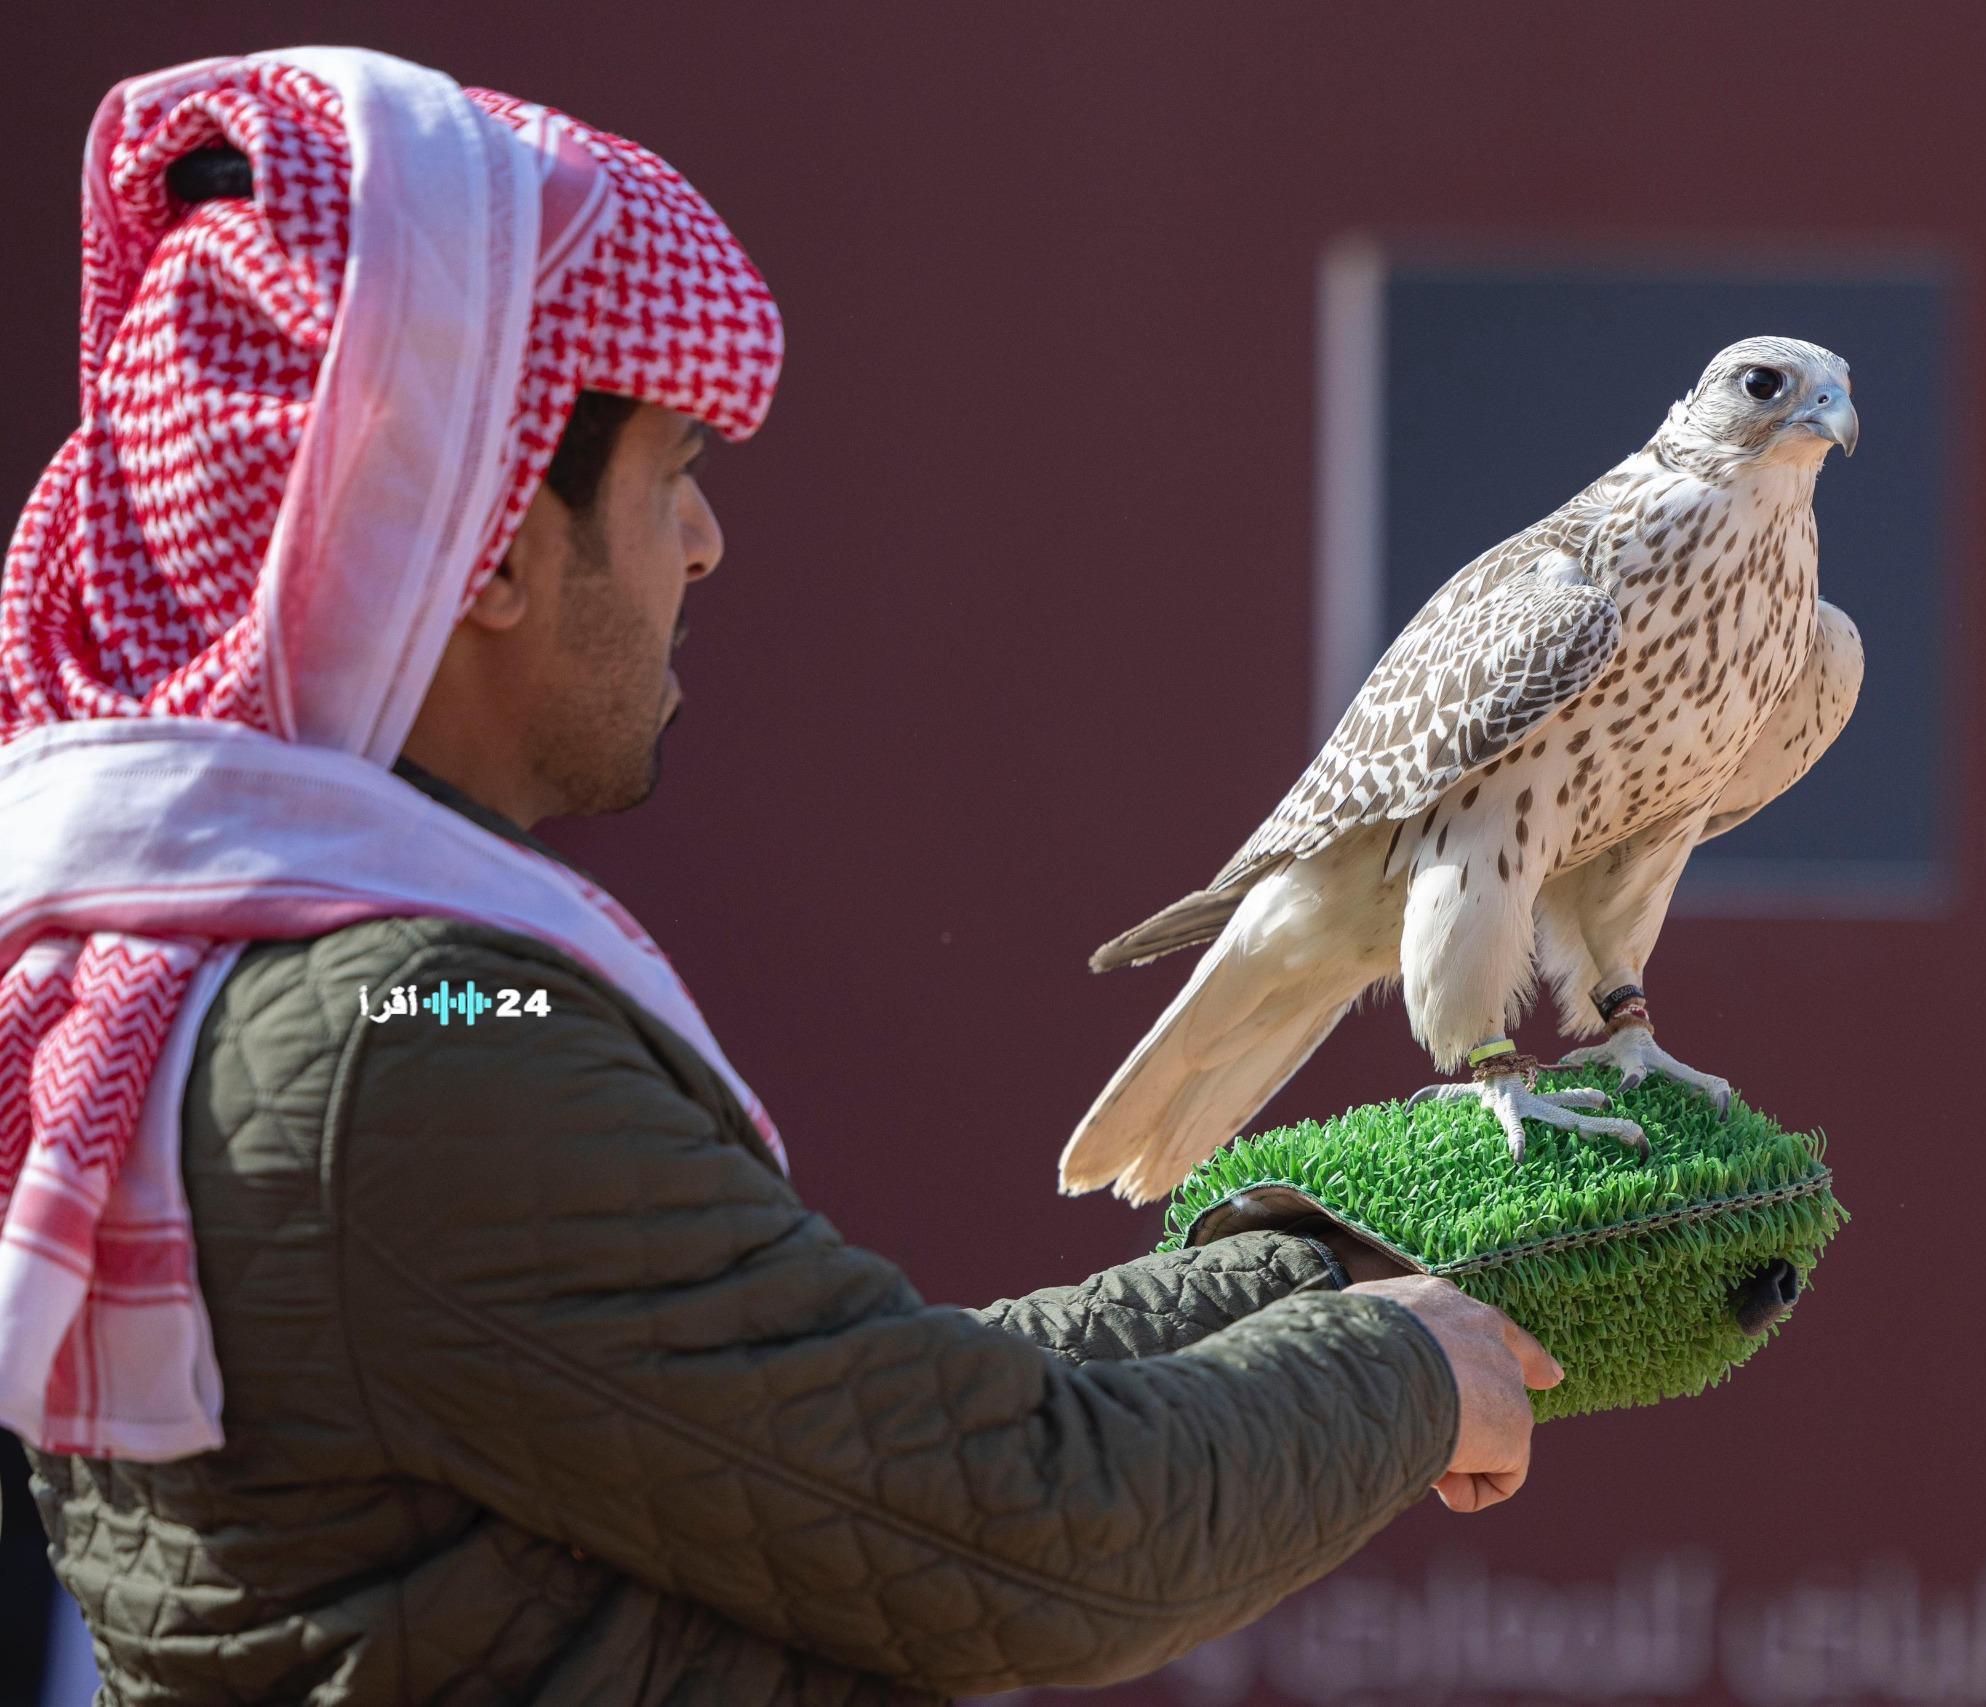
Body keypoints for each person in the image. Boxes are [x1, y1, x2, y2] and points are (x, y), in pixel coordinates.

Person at [0, 47, 1560, 1705]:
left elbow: (839, 1424)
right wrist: (1400, 1373)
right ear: (499, 554)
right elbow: (1019, 1523)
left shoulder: (310, 997)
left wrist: (1306, 1271)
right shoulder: (418, 1030)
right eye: (673, 474)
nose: (706, 542)